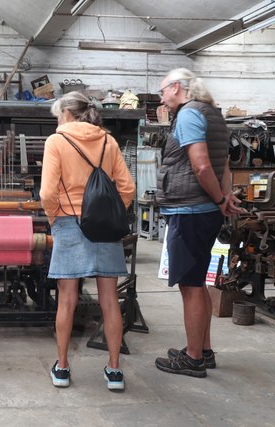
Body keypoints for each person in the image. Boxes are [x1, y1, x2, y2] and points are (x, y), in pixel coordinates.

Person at [40, 91, 135, 390]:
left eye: (58, 114)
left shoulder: (56, 141)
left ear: (67, 113)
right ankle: (115, 370)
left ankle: (63, 368)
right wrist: (111, 212)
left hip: (69, 223)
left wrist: (56, 218)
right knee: (110, 301)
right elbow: (128, 188)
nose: (58, 120)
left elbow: (46, 193)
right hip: (105, 227)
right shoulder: (108, 141)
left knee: (67, 300)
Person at [153, 68, 243, 378]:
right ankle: (202, 349)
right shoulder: (213, 114)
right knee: (198, 282)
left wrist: (220, 199)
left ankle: (193, 359)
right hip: (204, 209)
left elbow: (202, 164)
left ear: (177, 87)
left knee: (189, 285)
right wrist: (224, 196)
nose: (161, 97)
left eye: (163, 90)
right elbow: (225, 163)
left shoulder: (190, 114)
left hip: (190, 209)